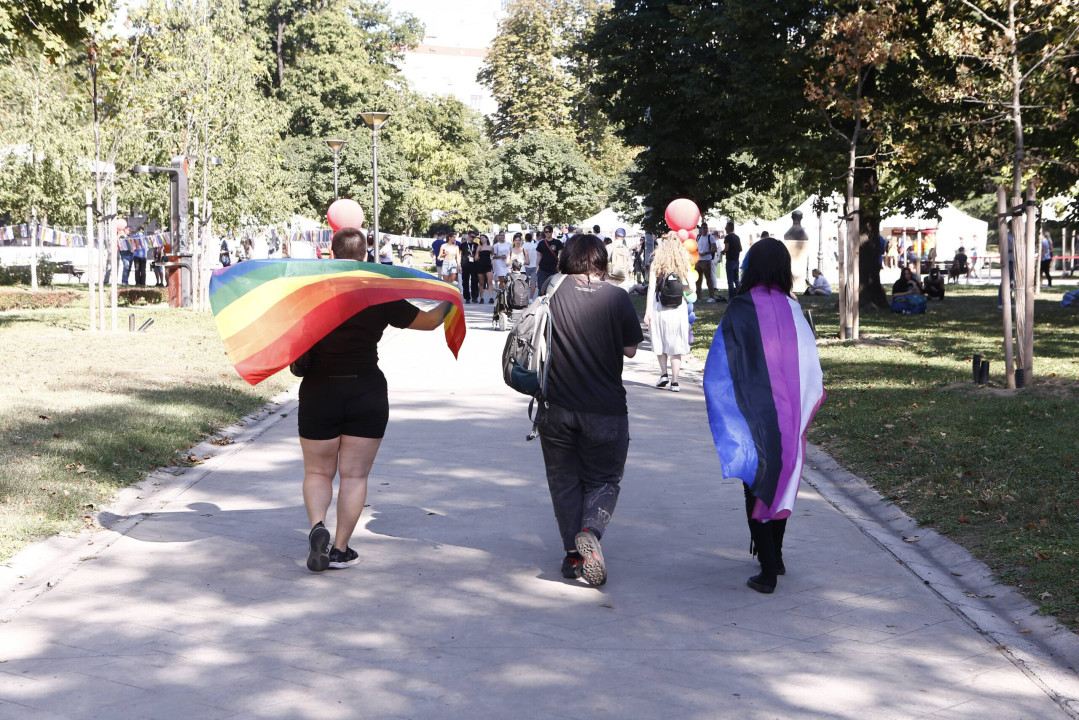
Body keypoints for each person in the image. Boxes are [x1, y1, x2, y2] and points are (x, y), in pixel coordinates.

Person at [300, 227, 453, 572]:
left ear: (330, 254)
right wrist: (450, 298)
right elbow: (429, 322)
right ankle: (339, 549)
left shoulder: (311, 294)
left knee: (317, 471)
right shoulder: (378, 295)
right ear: (366, 255)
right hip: (366, 391)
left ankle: (317, 528)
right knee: (353, 477)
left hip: (318, 391)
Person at [702, 238, 824, 594]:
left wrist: (726, 408)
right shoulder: (794, 309)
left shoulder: (740, 308)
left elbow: (721, 363)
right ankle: (777, 556)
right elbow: (810, 365)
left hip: (753, 413)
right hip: (788, 415)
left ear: (750, 267)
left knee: (755, 484)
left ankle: (768, 568)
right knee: (782, 479)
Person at [540, 234, 643, 586]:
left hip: (556, 407)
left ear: (566, 258)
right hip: (606, 409)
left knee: (564, 481)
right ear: (601, 260)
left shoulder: (550, 291)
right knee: (604, 479)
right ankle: (591, 530)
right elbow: (630, 350)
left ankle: (573, 556)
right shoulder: (617, 297)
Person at [644, 232, 692, 392]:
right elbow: (691, 287)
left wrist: (647, 312)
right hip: (679, 307)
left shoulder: (657, 262)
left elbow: (651, 288)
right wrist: (680, 289)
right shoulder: (683, 262)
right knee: (676, 344)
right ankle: (675, 381)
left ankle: (664, 373)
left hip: (660, 306)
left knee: (660, 340)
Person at [535, 224, 563, 292]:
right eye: (546, 232)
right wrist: (537, 266)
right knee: (541, 287)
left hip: (554, 268)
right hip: (543, 268)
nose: (547, 233)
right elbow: (538, 255)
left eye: (549, 231)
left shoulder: (557, 242)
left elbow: (560, 254)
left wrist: (559, 265)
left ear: (552, 232)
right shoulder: (541, 243)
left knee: (553, 288)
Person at [721, 221, 742, 298]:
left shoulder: (727, 237)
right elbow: (740, 248)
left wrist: (722, 252)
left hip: (730, 260)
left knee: (730, 281)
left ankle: (731, 297)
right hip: (736, 260)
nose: (725, 228)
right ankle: (739, 295)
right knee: (736, 280)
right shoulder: (737, 237)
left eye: (726, 226)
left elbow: (726, 249)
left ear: (729, 227)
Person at [474, 233, 494, 303]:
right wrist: (477, 251)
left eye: (483, 238)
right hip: (480, 265)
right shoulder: (479, 247)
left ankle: (491, 297)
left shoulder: (490, 247)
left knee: (490, 281)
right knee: (481, 282)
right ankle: (481, 298)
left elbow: (492, 255)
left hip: (488, 265)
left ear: (486, 239)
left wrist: (492, 264)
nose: (482, 239)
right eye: (481, 238)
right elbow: (476, 258)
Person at [460, 231, 479, 303]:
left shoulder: (476, 245)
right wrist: (459, 265)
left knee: (474, 281)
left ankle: (475, 297)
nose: (473, 238)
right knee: (465, 281)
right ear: (468, 236)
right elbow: (459, 254)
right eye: (472, 237)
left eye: (474, 237)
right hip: (465, 264)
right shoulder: (463, 245)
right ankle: (467, 297)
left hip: (474, 265)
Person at [522, 231, 539, 299]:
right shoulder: (535, 246)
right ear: (532, 238)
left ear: (525, 239)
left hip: (525, 266)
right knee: (533, 283)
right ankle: (531, 298)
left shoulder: (523, 246)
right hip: (534, 265)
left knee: (524, 282)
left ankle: (524, 297)